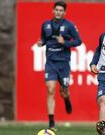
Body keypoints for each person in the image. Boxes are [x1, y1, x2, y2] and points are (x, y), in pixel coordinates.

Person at [36, 1, 82, 131]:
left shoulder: (69, 26)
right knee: (50, 89)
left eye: (61, 10)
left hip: (63, 64)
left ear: (64, 12)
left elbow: (78, 41)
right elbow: (44, 39)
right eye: (56, 10)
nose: (58, 12)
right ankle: (51, 123)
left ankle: (66, 99)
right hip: (50, 63)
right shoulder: (45, 24)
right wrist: (41, 43)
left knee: (63, 92)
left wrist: (65, 42)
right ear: (53, 10)